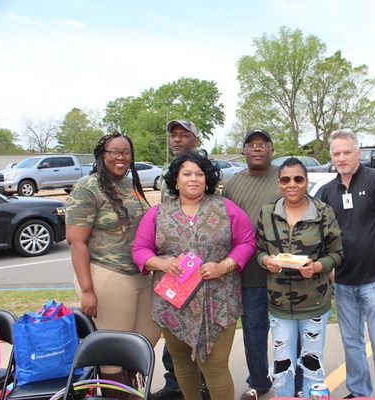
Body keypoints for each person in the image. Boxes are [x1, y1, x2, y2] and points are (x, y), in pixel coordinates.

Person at [132, 152, 256, 400]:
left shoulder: (225, 208)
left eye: (199, 174)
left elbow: (247, 242)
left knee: (214, 366)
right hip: (174, 302)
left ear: (207, 179)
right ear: (176, 180)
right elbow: (139, 250)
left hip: (218, 301)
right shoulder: (158, 213)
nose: (194, 179)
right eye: (187, 173)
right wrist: (161, 263)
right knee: (183, 364)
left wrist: (225, 265)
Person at [66, 132, 161, 398]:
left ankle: (131, 391)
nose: (120, 157)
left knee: (145, 339)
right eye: (114, 152)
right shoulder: (88, 187)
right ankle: (117, 394)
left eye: (126, 152)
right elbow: (77, 242)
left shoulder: (130, 183)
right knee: (115, 353)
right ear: (102, 155)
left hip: (141, 274)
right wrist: (87, 289)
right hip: (107, 274)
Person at [320, 129, 375, 398]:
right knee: (352, 344)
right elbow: (324, 234)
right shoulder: (328, 191)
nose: (341, 158)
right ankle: (359, 391)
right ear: (331, 156)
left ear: (358, 152)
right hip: (344, 282)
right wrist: (330, 266)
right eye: (336, 153)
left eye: (346, 152)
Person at [256, 157, 343, 397]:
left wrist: (317, 266)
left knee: (312, 367)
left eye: (298, 179)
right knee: (282, 367)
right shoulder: (267, 213)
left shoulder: (323, 213)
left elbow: (337, 254)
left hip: (314, 303)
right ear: (279, 183)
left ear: (306, 181)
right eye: (285, 179)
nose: (291, 184)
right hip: (279, 304)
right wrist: (266, 261)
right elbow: (260, 249)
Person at [221, 129, 280, 400]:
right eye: (251, 145)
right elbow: (225, 224)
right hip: (248, 270)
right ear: (244, 151)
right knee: (254, 330)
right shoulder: (232, 183)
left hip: (284, 269)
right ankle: (258, 381)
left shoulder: (283, 177)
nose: (257, 149)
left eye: (263, 144)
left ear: (271, 149)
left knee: (290, 329)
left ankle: (298, 378)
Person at [155, 119, 202, 400]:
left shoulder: (201, 169)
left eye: (184, 135)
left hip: (197, 263)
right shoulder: (166, 172)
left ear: (194, 139)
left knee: (198, 328)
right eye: (173, 135)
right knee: (173, 324)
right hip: (171, 263)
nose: (177, 140)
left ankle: (200, 386)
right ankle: (176, 386)